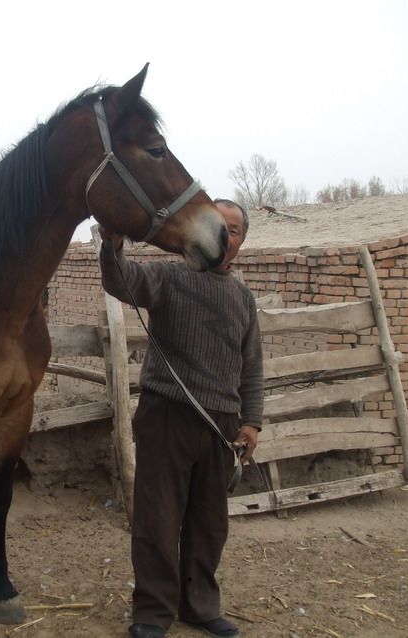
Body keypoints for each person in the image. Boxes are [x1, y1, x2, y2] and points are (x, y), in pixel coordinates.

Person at [98, 199, 263, 638]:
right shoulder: (170, 276)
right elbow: (122, 281)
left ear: (242, 242)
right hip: (166, 414)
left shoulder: (243, 298)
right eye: (220, 228)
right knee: (158, 519)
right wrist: (112, 244)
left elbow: (252, 367)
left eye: (236, 230)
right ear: (204, 231)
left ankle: (200, 606)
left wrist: (252, 422)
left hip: (221, 426)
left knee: (209, 525)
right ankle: (152, 613)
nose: (228, 238)